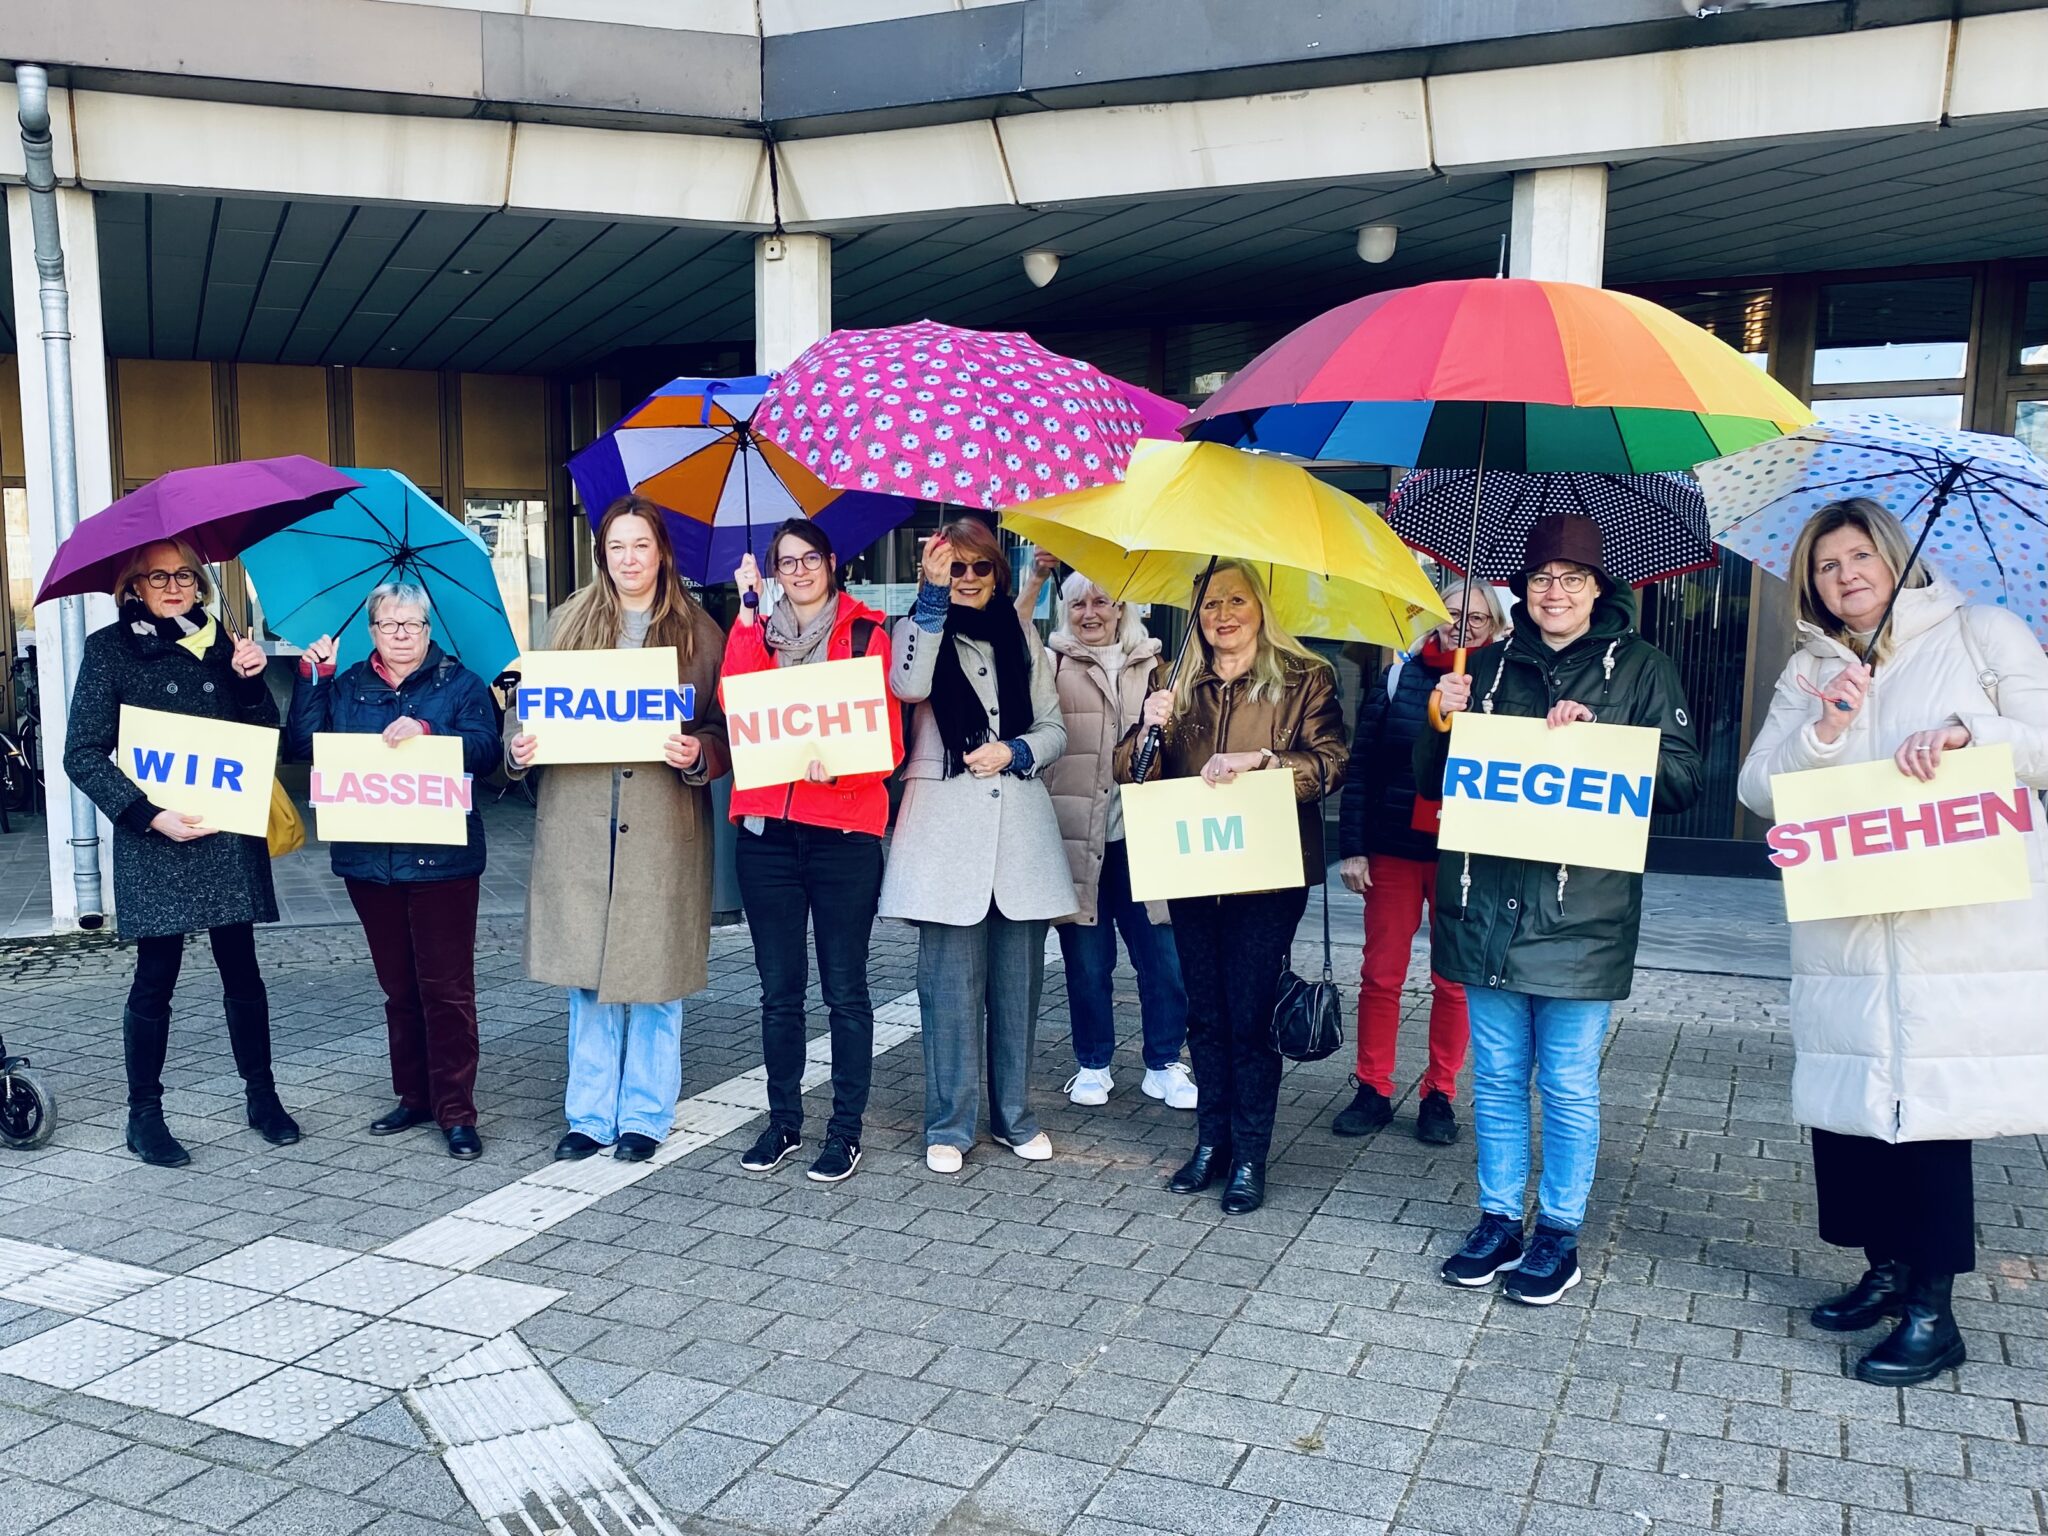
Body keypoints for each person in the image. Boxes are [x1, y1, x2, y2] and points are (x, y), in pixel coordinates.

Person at [1737, 497, 2048, 1386]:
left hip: (1957, 924)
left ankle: (1932, 1308)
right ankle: (1881, 1269)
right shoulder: (1810, 669)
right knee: (1857, 1108)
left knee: (1932, 1115)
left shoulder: (1982, 634)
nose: (1846, 576)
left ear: (1894, 555)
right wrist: (1827, 729)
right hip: (1851, 925)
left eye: (1859, 555)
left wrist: (1968, 734)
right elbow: (1761, 785)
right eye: (1827, 566)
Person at [1417, 512, 1701, 1304]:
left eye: (1573, 578)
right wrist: (1444, 716)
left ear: (1598, 586)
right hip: (1485, 905)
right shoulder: (1490, 662)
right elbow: (1432, 779)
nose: (1555, 592)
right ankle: (1499, 1218)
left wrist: (1602, 737)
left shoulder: (1643, 668)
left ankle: (1558, 1232)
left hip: (1584, 916)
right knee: (1500, 1077)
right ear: (1522, 586)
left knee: (1568, 1083)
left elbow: (1682, 781)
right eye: (1542, 577)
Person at [1117, 560, 1347, 1216]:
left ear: (1259, 606)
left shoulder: (1306, 677)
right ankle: (1210, 1143)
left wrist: (1266, 763)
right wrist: (1148, 724)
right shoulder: (1173, 679)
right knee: (1205, 1013)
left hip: (1266, 873)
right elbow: (1130, 775)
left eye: (1236, 600)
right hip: (1192, 866)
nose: (1223, 614)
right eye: (1211, 603)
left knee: (1248, 1016)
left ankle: (1250, 1153)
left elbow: (1332, 764)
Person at [505, 496, 729, 1164]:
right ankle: (589, 1114)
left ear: (662, 552)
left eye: (641, 545)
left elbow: (724, 724)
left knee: (654, 975)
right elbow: (529, 708)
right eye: (617, 546)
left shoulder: (699, 632)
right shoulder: (568, 621)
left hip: (660, 823)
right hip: (581, 818)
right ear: (602, 553)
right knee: (590, 975)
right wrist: (519, 746)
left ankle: (645, 1116)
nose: (629, 559)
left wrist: (700, 754)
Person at [64, 539, 298, 1167]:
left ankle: (263, 1097)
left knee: (242, 971)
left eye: (186, 576)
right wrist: (149, 815)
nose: (174, 586)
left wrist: (251, 683)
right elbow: (81, 753)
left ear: (201, 584)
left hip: (225, 829)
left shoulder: (224, 644)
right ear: (133, 587)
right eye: (157, 577)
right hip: (157, 838)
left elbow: (263, 740)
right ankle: (145, 1114)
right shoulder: (110, 650)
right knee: (155, 977)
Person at [879, 518, 1075, 1175]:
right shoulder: (916, 627)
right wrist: (931, 598)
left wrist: (1017, 750)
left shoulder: (1023, 634)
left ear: (999, 573)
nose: (967, 579)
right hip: (944, 834)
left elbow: (1053, 728)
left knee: (1018, 993)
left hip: (1019, 832)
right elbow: (908, 685)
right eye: (954, 568)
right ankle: (949, 1125)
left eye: (978, 569)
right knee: (949, 994)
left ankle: (1015, 1118)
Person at [286, 583, 500, 1160]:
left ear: (429, 630)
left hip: (443, 862)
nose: (402, 634)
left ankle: (456, 1111)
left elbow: (485, 746)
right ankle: (414, 1096)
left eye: (413, 624)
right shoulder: (348, 682)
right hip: (369, 859)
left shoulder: (460, 683)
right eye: (389, 624)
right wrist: (315, 678)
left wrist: (430, 732)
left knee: (447, 990)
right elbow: (304, 743)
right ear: (372, 629)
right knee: (398, 988)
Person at [722, 520, 902, 1184]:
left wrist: (846, 772)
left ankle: (845, 1131)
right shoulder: (756, 633)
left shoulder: (865, 635)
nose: (797, 571)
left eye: (808, 559)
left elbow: (889, 740)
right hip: (767, 835)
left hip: (843, 835)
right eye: (784, 563)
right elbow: (733, 703)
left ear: (832, 561)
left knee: (846, 991)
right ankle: (784, 1122)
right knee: (779, 993)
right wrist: (746, 615)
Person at [1332, 580, 1507, 1143]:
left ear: (1497, 627)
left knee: (1453, 980)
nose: (1463, 625)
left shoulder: (1510, 681)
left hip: (1466, 854)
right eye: (1453, 614)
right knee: (1381, 974)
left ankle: (1440, 1094)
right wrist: (1354, 847)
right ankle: (1373, 1087)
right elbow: (1363, 766)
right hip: (1394, 847)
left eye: (1477, 619)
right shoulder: (1398, 674)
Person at [1041, 571, 1194, 1110]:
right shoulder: (1050, 663)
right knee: (1087, 961)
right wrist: (1033, 576)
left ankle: (1165, 1061)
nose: (1090, 612)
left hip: (1142, 839)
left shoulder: (1162, 671)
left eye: (1102, 601)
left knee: (1164, 958)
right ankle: (1093, 1063)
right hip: (1076, 840)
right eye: (1078, 602)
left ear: (1123, 607)